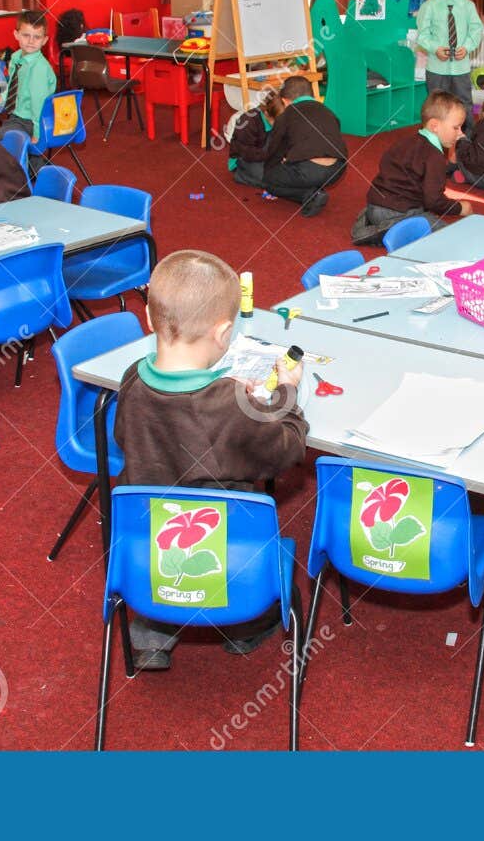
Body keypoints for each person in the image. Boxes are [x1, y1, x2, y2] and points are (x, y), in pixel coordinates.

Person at [112, 250, 308, 670]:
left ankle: (151, 631)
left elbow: (123, 437)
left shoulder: (131, 378)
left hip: (150, 546)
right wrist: (286, 395)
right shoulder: (228, 404)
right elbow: (287, 450)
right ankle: (245, 627)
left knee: (161, 517)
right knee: (243, 532)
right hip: (227, 550)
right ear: (223, 333)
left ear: (150, 318)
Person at [351, 91, 472, 245]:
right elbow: (434, 201)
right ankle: (387, 231)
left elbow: (386, 165)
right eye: (456, 128)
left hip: (374, 203)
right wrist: (459, 208)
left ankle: (374, 221)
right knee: (443, 233)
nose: (460, 133)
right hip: (397, 212)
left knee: (421, 214)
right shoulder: (435, 157)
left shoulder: (406, 141)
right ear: (435, 126)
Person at [257, 75, 347, 217]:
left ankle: (309, 195)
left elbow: (275, 151)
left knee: (269, 181)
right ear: (312, 95)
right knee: (302, 170)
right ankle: (313, 188)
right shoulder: (328, 112)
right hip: (337, 169)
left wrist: (268, 175)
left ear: (285, 101)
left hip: (308, 170)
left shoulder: (285, 116)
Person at [413, 0, 483, 131]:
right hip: (437, 68)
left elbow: (476, 30)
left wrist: (466, 47)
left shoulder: (468, 6)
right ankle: (434, 138)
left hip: (461, 68)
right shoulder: (429, 6)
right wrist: (435, 48)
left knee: (464, 102)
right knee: (436, 105)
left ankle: (465, 138)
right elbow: (422, 35)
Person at [0, 9, 58, 143]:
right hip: (16, 117)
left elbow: (39, 105)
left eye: (37, 37)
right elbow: (14, 87)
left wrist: (38, 134)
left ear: (44, 40)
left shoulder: (38, 68)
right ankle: (30, 162)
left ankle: (29, 161)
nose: (31, 41)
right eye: (26, 35)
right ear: (16, 34)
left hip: (31, 123)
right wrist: (2, 98)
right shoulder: (16, 58)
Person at [226, 89, 285, 190]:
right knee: (266, 177)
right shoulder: (248, 121)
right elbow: (245, 151)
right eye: (277, 122)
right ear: (266, 113)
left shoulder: (279, 121)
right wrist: (273, 156)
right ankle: (242, 176)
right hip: (244, 159)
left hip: (267, 156)